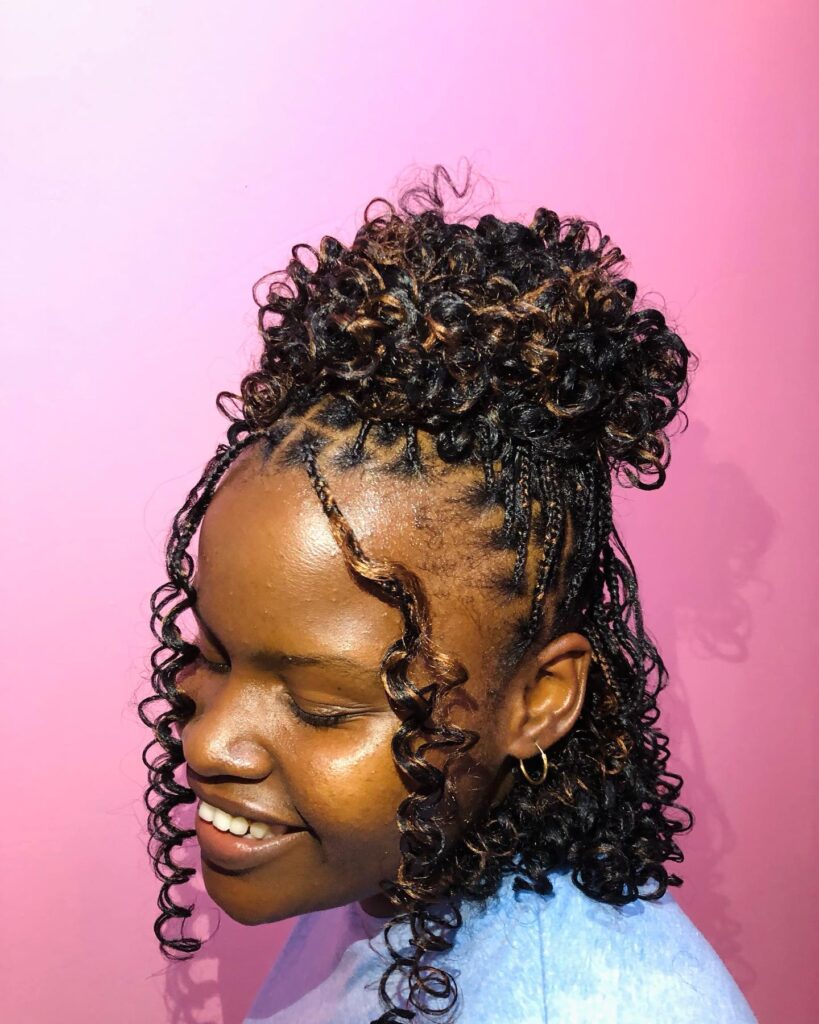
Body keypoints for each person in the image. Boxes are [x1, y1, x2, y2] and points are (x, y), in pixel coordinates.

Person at [139, 163, 759, 1023]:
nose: (211, 743)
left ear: (538, 699)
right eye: (206, 657)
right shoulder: (395, 873)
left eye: (321, 706)